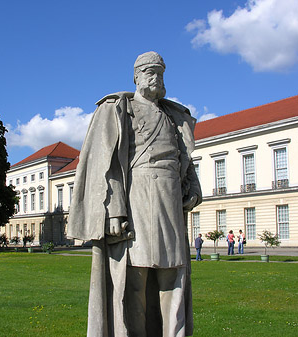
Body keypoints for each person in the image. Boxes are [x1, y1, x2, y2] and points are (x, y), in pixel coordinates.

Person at [68, 51, 202, 337]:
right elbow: (109, 162)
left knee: (173, 275)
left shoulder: (173, 115)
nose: (156, 78)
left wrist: (194, 187)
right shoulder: (119, 109)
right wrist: (115, 209)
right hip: (137, 198)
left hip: (170, 200)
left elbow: (184, 158)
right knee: (136, 281)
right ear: (136, 77)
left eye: (160, 73)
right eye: (149, 72)